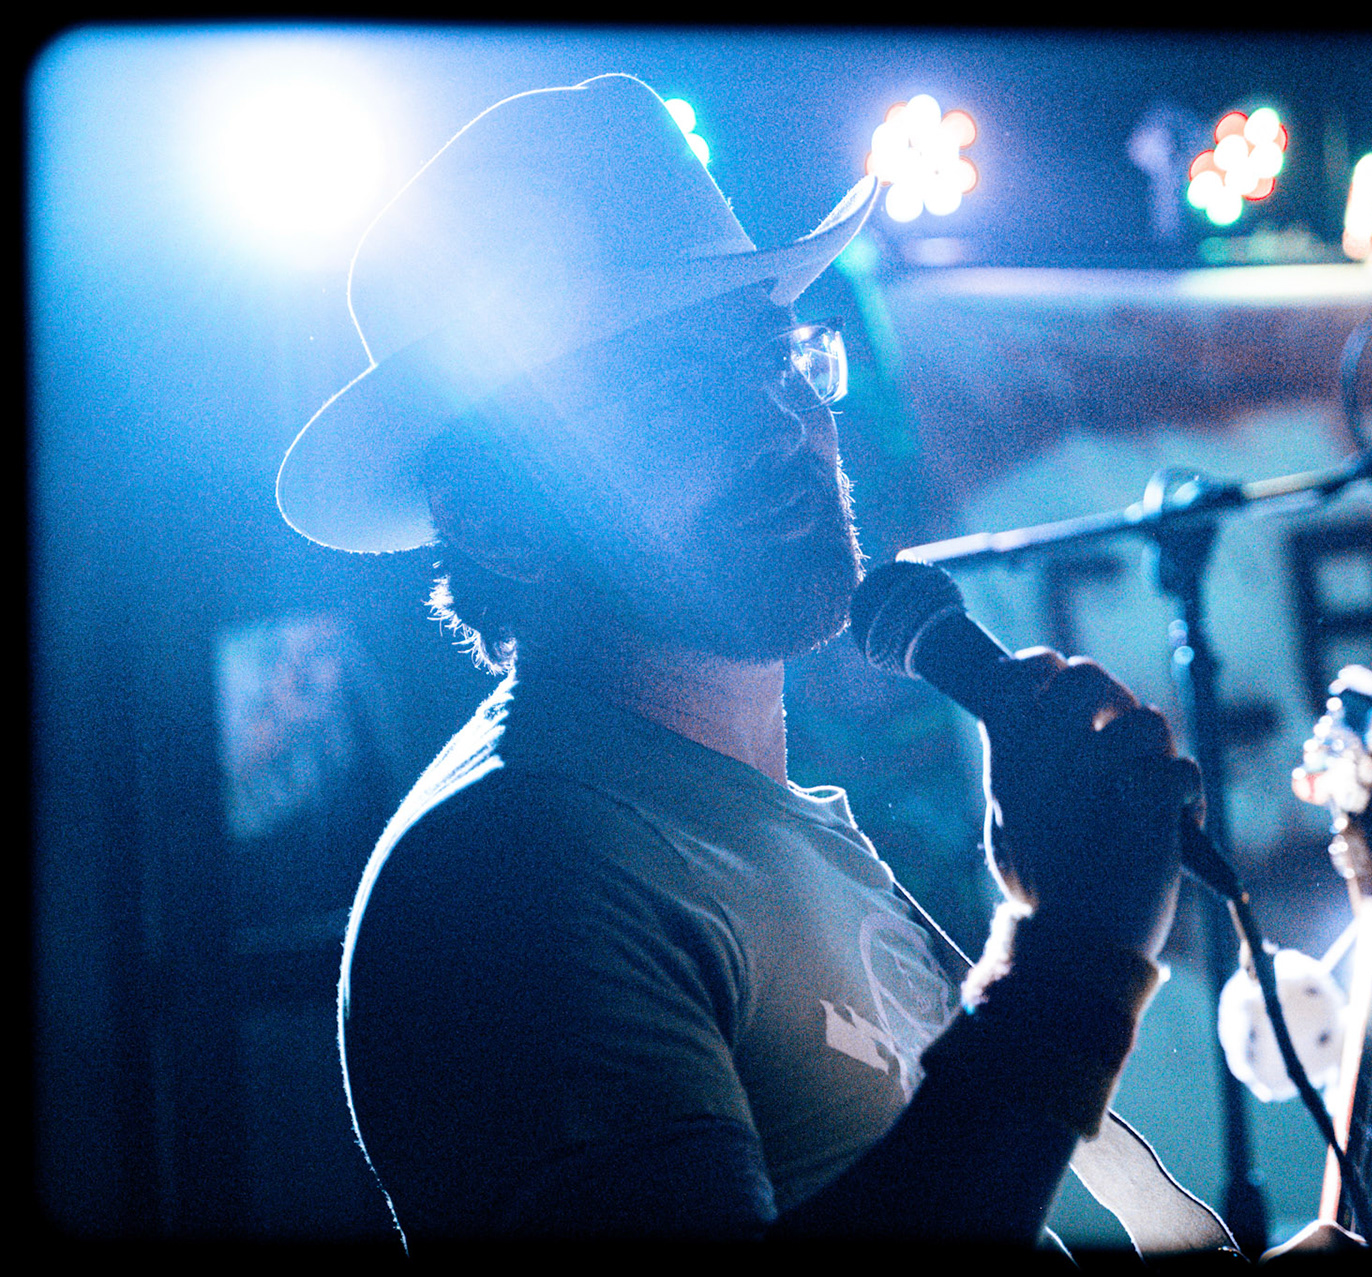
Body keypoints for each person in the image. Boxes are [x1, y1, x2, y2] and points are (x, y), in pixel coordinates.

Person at [277, 73, 1232, 1255]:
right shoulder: (510, 869)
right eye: (677, 392)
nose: (779, 420)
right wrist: (1072, 960)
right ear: (493, 519)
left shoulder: (768, 826)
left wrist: (1041, 937)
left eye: (779, 358)